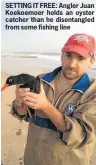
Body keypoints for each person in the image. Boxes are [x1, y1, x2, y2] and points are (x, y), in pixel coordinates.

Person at [11, 33, 96, 165]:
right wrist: (20, 103)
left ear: (91, 61)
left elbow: (82, 137)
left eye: (80, 58)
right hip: (33, 159)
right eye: (68, 55)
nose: (72, 64)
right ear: (61, 55)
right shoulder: (41, 81)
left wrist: (46, 106)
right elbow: (24, 115)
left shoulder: (92, 92)